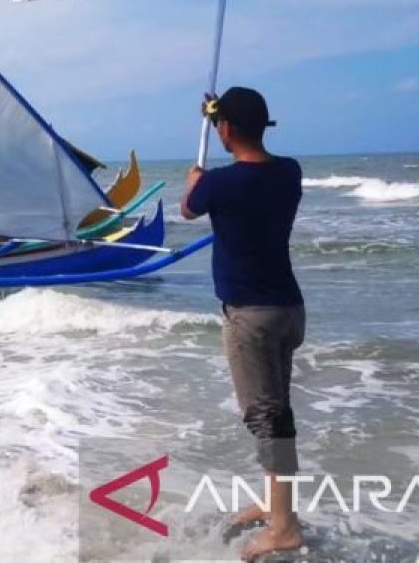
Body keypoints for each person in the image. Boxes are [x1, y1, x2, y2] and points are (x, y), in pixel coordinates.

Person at [181, 87, 305, 561]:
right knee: (278, 412)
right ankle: (276, 508)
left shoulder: (222, 184)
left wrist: (194, 179)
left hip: (250, 316)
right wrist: (219, 114)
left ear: (226, 129)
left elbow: (188, 208)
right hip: (288, 309)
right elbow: (248, 176)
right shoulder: (289, 172)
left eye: (218, 125)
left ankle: (285, 528)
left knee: (269, 421)